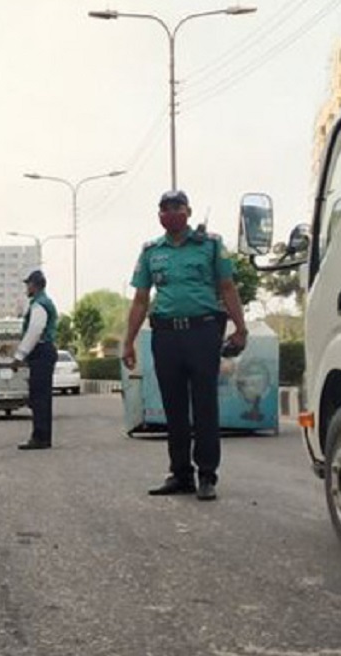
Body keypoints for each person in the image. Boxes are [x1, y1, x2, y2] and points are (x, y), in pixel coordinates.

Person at [122, 190, 248, 501]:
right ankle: (180, 474)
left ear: (188, 211)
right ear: (159, 214)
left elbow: (227, 287)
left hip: (202, 333)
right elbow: (140, 300)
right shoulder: (151, 252)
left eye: (176, 207)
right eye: (164, 208)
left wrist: (241, 327)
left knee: (204, 405)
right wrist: (128, 342)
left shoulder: (210, 245)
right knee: (173, 407)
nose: (170, 212)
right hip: (165, 336)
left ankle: (207, 475)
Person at [11, 269, 59, 450]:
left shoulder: (39, 305)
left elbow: (34, 332)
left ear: (35, 285)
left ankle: (40, 437)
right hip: (44, 352)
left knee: (39, 397)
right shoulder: (42, 302)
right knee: (41, 396)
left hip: (41, 351)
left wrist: (19, 356)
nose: (26, 287)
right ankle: (42, 436)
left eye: (28, 284)